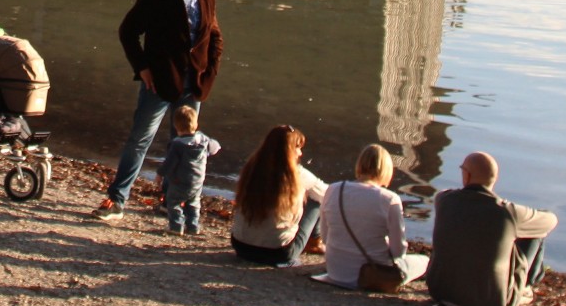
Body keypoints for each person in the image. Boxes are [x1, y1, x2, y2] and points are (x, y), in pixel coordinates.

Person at [92, 0, 224, 222]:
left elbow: (215, 38)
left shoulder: (208, 0)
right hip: (160, 81)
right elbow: (128, 31)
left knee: (184, 145)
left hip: (194, 82)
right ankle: (117, 199)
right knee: (140, 139)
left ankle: (169, 201)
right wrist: (142, 67)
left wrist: (210, 72)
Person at [425, 151, 558, 306]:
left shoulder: (443, 200)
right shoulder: (507, 213)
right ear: (494, 179)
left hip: (442, 293)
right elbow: (551, 221)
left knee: (496, 234)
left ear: (466, 175)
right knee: (537, 231)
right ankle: (525, 286)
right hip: (490, 303)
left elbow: (454, 198)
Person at [318, 144, 429, 291]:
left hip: (335, 271)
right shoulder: (389, 199)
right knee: (425, 261)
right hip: (371, 275)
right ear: (386, 170)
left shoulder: (334, 189)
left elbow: (325, 238)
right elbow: (398, 251)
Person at [229, 125, 328, 266]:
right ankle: (314, 243)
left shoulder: (251, 168)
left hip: (240, 246)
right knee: (315, 200)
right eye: (298, 148)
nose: (300, 153)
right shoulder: (299, 175)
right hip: (278, 253)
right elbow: (329, 195)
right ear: (289, 150)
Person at [154, 105, 221, 236]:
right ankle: (193, 226)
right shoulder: (203, 140)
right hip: (197, 181)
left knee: (173, 202)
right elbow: (216, 147)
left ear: (176, 126)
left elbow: (169, 163)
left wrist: (160, 174)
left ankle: (176, 226)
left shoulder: (177, 144)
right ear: (196, 124)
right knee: (193, 203)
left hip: (180, 181)